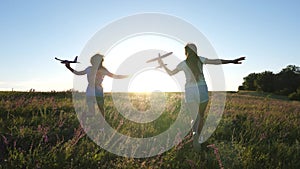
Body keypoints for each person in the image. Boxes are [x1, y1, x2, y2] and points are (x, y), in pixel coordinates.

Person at [157, 43, 245, 151]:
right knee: (201, 116)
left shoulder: (183, 64)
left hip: (190, 91)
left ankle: (194, 133)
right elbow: (216, 61)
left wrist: (162, 64)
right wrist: (232, 61)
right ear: (195, 51)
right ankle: (198, 136)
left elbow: (170, 73)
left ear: (186, 52)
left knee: (194, 117)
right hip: (201, 89)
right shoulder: (200, 60)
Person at [65, 54, 128, 128]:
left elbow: (114, 76)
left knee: (101, 110)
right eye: (95, 61)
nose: (97, 63)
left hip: (99, 92)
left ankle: (102, 127)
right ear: (92, 62)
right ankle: (84, 117)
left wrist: (127, 76)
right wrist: (69, 67)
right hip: (90, 92)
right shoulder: (89, 69)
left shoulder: (103, 70)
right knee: (92, 113)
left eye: (99, 61)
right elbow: (78, 73)